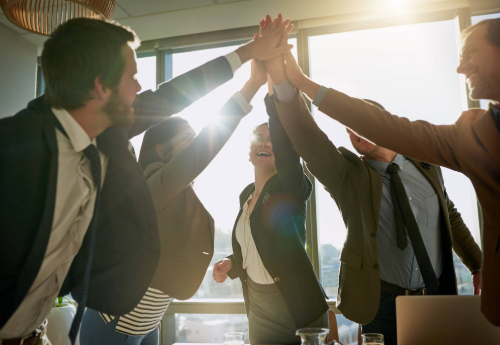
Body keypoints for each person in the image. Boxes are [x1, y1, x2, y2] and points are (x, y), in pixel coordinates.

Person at [0, 15, 293, 344]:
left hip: (33, 335)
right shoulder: (15, 149)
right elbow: (198, 151)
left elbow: (173, 96)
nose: (140, 88)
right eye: (132, 78)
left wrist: (251, 56)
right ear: (100, 85)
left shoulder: (106, 138)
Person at [272, 16, 500, 327]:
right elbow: (309, 141)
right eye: (349, 131)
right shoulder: (349, 175)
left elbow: (451, 216)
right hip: (380, 306)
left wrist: (477, 264)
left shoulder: (428, 166)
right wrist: (289, 84)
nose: (354, 133)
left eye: (360, 124)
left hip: (434, 297)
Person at [79, 56, 266, 345]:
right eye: (186, 139)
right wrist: (252, 85)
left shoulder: (179, 196)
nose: (194, 147)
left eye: (193, 138)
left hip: (147, 325)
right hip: (113, 322)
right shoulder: (149, 189)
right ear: (161, 153)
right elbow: (203, 149)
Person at [212, 74, 329, 344]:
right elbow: (254, 246)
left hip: (298, 307)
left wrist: (272, 88)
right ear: (249, 151)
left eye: (272, 138)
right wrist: (232, 263)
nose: (265, 142)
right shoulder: (245, 195)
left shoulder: (290, 185)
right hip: (259, 309)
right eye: (258, 137)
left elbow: (289, 156)